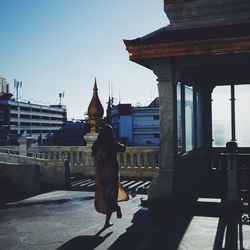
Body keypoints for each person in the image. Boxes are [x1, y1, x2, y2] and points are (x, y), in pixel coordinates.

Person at [92, 124, 127, 228]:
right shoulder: (112, 144)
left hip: (100, 174)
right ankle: (110, 217)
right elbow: (124, 148)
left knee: (103, 196)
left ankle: (114, 210)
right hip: (111, 174)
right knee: (111, 196)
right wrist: (117, 141)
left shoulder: (97, 144)